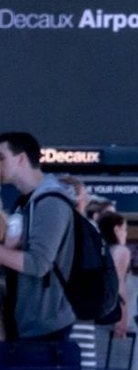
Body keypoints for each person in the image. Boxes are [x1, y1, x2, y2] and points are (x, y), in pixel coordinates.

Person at [0, 133, 77, 346]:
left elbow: (38, 263)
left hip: (45, 327)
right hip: (28, 323)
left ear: (21, 158)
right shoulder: (27, 202)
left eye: (1, 157)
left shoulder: (50, 202)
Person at [94, 211, 135, 369]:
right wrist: (123, 316)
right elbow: (118, 283)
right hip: (113, 310)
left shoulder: (100, 249)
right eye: (125, 229)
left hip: (97, 309)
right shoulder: (121, 251)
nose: (126, 233)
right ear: (116, 229)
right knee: (115, 361)